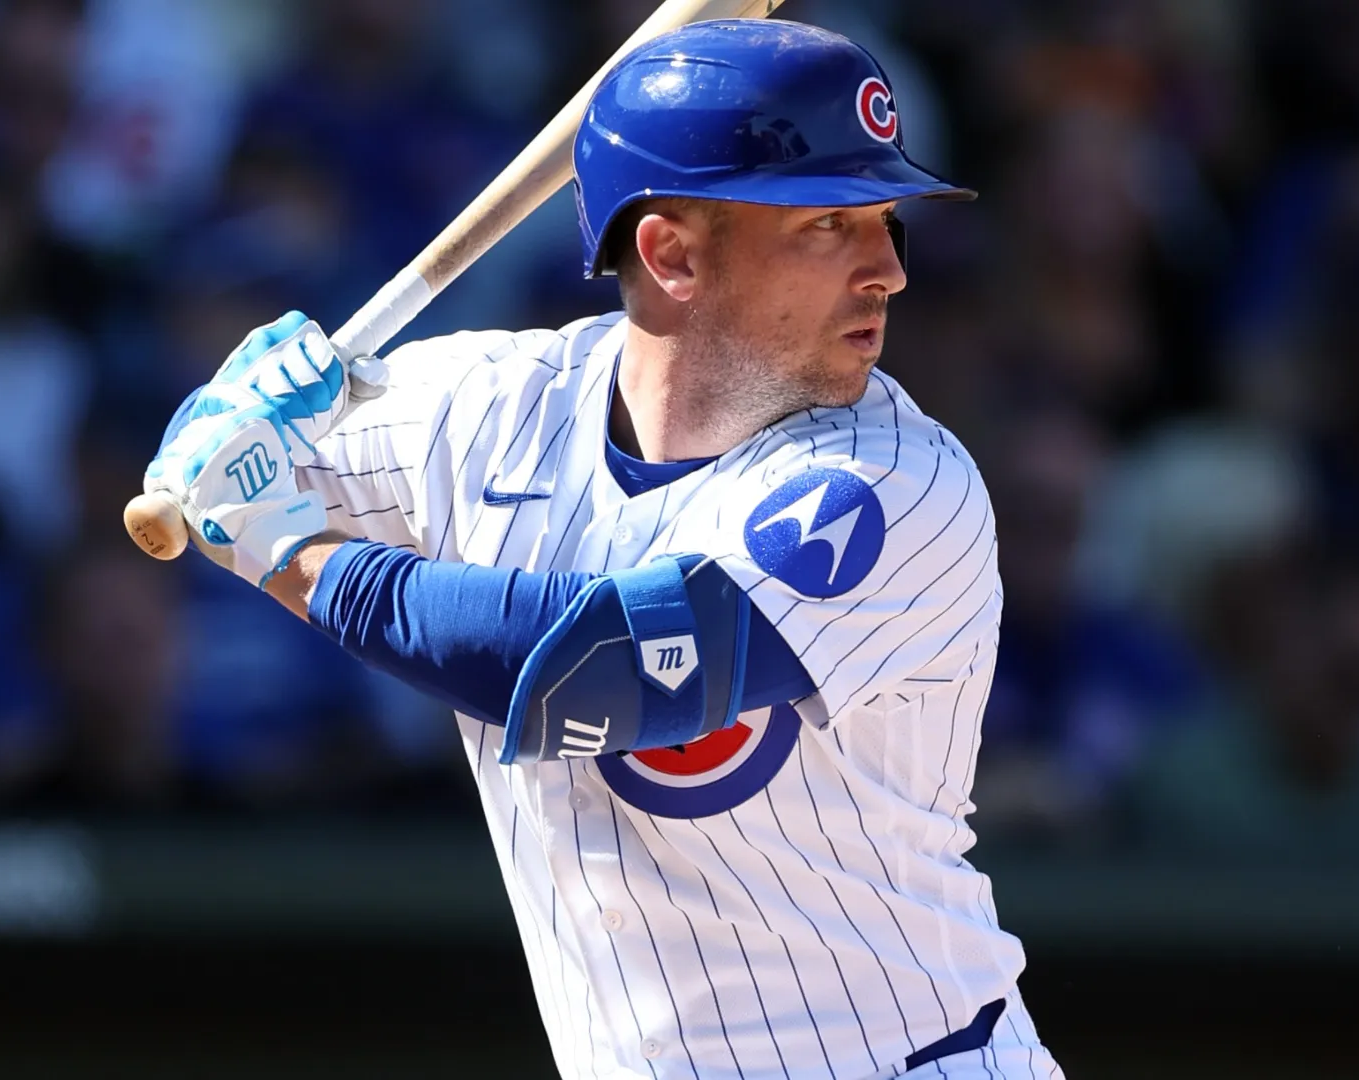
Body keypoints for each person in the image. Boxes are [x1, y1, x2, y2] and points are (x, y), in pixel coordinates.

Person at [141, 20, 1060, 1080]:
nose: (889, 271)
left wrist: (286, 555)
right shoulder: (489, 406)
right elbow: (213, 477)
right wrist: (223, 415)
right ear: (671, 254)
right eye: (829, 225)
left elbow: (599, 673)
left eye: (885, 222)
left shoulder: (898, 485)